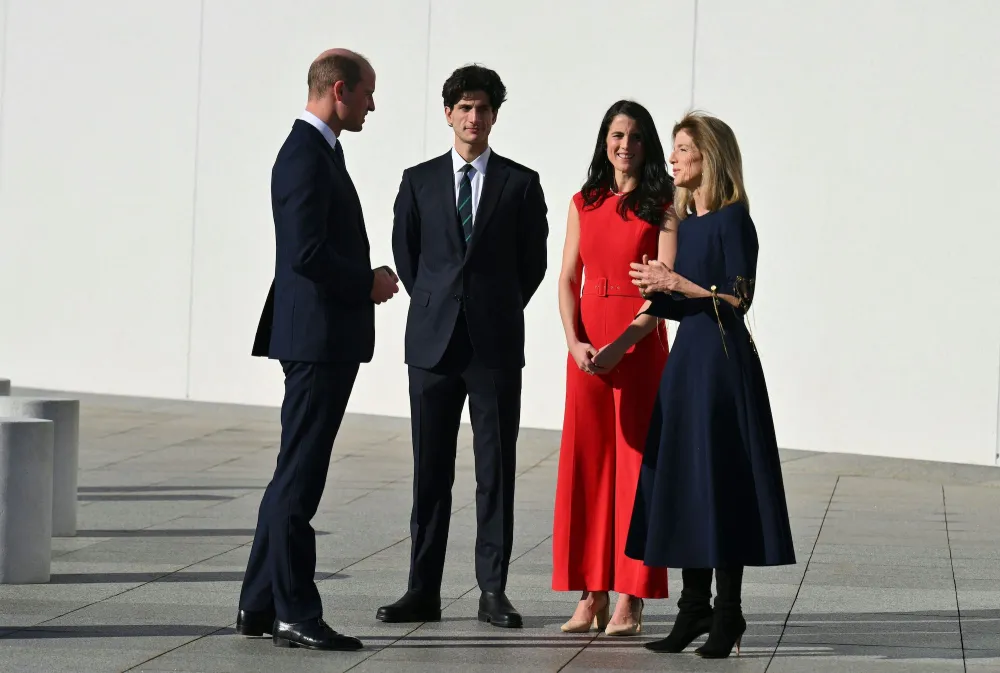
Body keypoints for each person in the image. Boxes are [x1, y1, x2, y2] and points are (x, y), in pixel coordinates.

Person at [593, 111, 796, 659]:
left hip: (724, 367)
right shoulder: (681, 223)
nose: (673, 158)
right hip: (686, 367)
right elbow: (675, 305)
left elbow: (737, 298)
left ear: (708, 157)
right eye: (675, 149)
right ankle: (692, 611)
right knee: (686, 483)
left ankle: (727, 615)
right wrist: (649, 294)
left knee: (721, 483)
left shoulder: (732, 220)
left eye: (683, 149)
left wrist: (674, 281)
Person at [238, 48, 399, 651]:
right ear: (339, 90)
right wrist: (369, 282)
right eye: (366, 93)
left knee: (293, 470)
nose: (371, 104)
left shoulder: (318, 150)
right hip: (316, 339)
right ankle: (295, 613)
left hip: (321, 335)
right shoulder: (305, 153)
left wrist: (365, 276)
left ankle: (258, 604)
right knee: (299, 478)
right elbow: (304, 255)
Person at [378, 64, 549, 629]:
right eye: (465, 107)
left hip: (494, 344)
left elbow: (534, 263)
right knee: (430, 471)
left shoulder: (521, 183)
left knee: (495, 471)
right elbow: (409, 254)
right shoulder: (418, 180)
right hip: (432, 346)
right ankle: (421, 590)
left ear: (495, 115)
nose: (474, 117)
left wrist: (495, 306)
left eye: (483, 107)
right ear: (448, 113)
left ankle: (492, 591)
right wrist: (437, 302)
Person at [550, 100, 674, 637]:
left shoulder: (665, 206)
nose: (625, 145)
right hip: (587, 349)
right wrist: (574, 341)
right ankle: (590, 592)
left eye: (636, 137)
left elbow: (664, 291)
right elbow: (565, 279)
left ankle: (632, 597)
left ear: (647, 147)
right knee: (587, 468)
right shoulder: (584, 201)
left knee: (635, 468)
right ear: (605, 141)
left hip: (638, 343)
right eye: (616, 134)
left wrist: (624, 342)